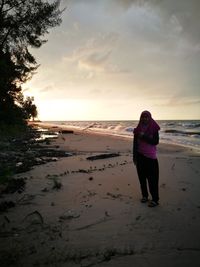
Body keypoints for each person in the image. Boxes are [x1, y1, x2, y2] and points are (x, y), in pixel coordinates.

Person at [133, 111, 160, 207]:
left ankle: (155, 199)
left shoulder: (154, 128)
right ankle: (144, 196)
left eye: (146, 117)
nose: (144, 119)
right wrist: (134, 157)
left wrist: (144, 136)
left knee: (153, 179)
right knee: (142, 178)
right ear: (140, 118)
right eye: (143, 117)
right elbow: (135, 144)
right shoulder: (137, 130)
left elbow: (155, 142)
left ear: (150, 118)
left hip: (151, 158)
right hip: (140, 156)